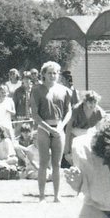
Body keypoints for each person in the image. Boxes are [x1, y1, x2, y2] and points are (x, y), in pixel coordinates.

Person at [31, 60, 73, 203]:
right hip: (44, 128)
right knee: (43, 163)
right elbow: (35, 114)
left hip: (59, 129)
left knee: (57, 164)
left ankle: (56, 195)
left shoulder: (64, 90)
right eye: (49, 73)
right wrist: (48, 128)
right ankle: (42, 196)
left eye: (55, 73)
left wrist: (61, 127)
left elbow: (68, 112)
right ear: (44, 74)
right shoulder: (37, 90)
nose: (52, 76)